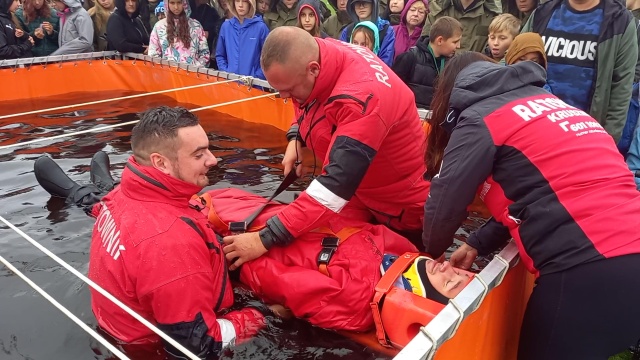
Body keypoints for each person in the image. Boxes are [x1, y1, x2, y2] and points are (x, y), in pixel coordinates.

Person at [421, 51, 640, 360]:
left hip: (585, 269)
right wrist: (477, 242)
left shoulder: (480, 116)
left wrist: (426, 255)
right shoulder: (553, 105)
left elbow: (444, 202)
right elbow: (547, 190)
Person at [35, 107, 280, 358]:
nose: (213, 159)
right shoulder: (170, 244)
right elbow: (197, 345)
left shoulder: (125, 194)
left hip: (120, 326)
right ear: (160, 162)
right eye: (199, 154)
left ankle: (81, 193)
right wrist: (266, 314)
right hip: (150, 347)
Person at [222, 26, 430, 270]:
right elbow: (305, 101)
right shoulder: (323, 54)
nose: (285, 98)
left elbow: (334, 185)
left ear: (314, 69)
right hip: (360, 196)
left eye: (288, 90)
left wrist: (264, 239)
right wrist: (295, 137)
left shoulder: (364, 98)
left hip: (401, 211)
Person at [521, 0, 638, 143]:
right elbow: (515, 63)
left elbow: (621, 90)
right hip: (534, 130)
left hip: (585, 137)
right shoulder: (542, 13)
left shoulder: (619, 20)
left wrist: (606, 142)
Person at [392, 16, 461, 109]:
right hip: (411, 118)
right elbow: (393, 91)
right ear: (440, 40)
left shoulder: (453, 64)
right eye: (455, 42)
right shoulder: (410, 57)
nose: (458, 46)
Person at [420, 0, 499, 53]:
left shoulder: (492, 15)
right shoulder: (439, 9)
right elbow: (424, 47)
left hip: (476, 74)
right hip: (439, 73)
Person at [215, 0, 269, 78]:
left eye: (244, 1)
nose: (240, 5)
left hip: (253, 85)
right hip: (230, 84)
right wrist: (226, 73)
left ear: (251, 3)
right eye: (237, 1)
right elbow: (220, 55)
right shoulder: (226, 26)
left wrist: (256, 77)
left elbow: (268, 59)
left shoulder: (261, 28)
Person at [148, 0, 210, 67]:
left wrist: (194, 68)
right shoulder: (159, 26)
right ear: (167, 3)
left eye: (179, 3)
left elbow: (205, 53)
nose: (176, 7)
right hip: (167, 74)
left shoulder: (196, 26)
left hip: (192, 74)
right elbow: (153, 55)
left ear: (185, 3)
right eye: (172, 3)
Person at [339, 0, 395, 66]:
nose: (361, 7)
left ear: (374, 4)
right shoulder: (347, 31)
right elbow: (341, 59)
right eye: (357, 3)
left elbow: (386, 62)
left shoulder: (386, 30)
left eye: (365, 2)